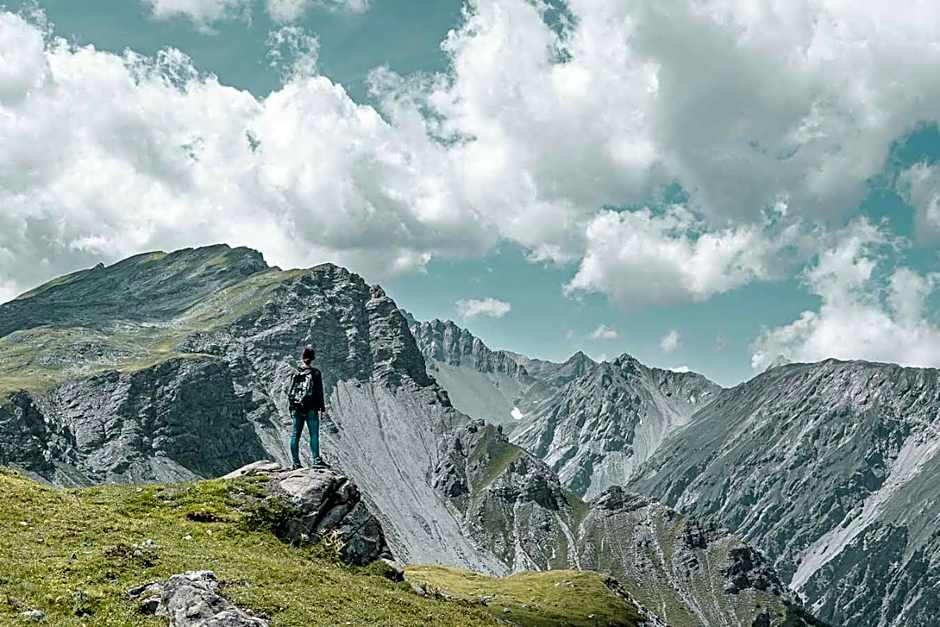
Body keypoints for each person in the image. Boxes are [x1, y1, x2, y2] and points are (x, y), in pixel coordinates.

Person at [287, 345, 327, 469]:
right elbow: (319, 392)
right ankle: (316, 460)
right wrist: (322, 407)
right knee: (314, 434)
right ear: (313, 358)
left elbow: (290, 391)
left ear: (302, 357)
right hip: (311, 409)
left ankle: (296, 463)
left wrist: (292, 407)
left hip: (297, 408)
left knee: (295, 435)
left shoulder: (295, 373)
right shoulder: (315, 373)